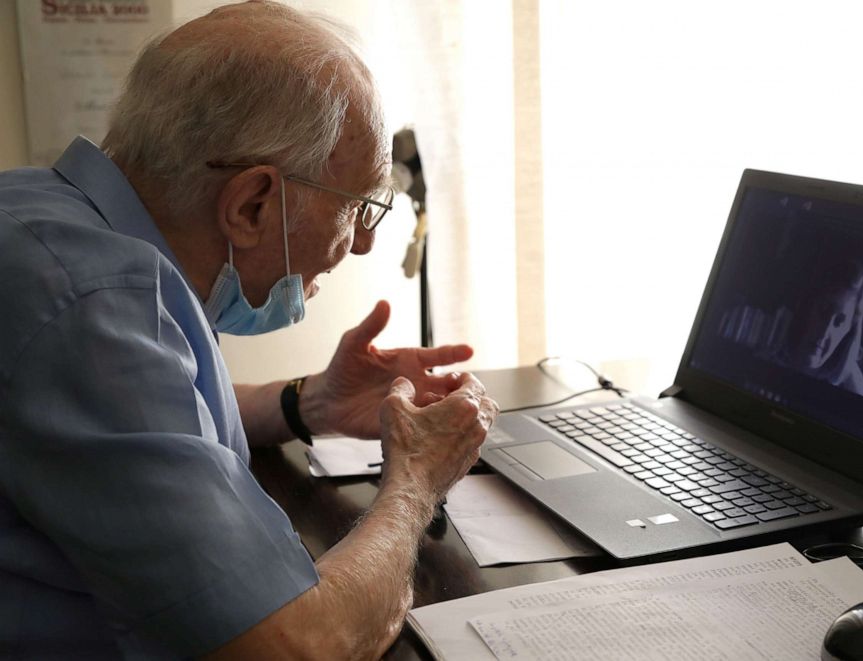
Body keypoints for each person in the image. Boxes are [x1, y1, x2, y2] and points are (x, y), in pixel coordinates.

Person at [0, 2, 498, 658]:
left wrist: (305, 401)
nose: (365, 244)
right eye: (356, 208)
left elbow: (149, 423)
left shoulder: (42, 214)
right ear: (252, 203)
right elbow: (291, 646)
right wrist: (416, 483)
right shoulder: (96, 308)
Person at [775, 257, 863, 398]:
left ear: (848, 333)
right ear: (807, 309)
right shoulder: (768, 359)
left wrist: (848, 365)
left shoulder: (846, 386)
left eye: (839, 321)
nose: (825, 331)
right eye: (824, 311)